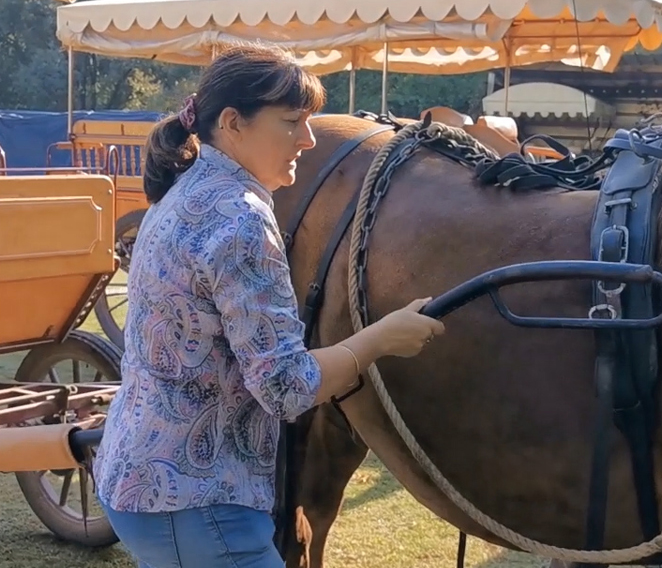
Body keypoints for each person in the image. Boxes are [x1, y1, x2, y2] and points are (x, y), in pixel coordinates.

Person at [92, 42, 446, 568]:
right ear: (233, 123)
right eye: (291, 121)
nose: (308, 139)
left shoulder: (183, 192)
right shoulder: (241, 220)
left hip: (146, 481)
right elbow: (286, 387)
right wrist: (383, 336)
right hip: (200, 504)